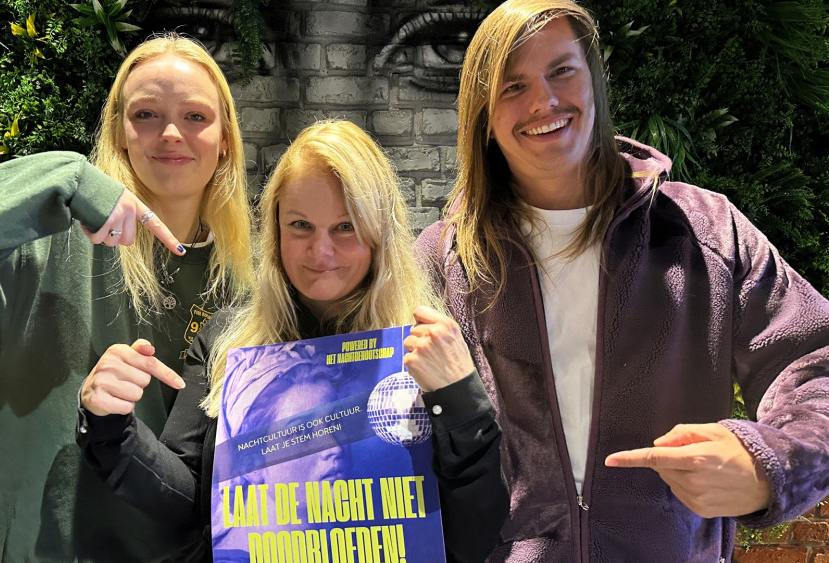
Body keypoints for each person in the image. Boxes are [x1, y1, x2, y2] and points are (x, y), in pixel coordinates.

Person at [415, 0, 829, 561]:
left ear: (594, 79)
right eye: (512, 86)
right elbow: (389, 422)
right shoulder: (445, 258)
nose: (543, 101)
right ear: (483, 115)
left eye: (561, 70)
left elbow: (815, 360)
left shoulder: (704, 232)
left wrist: (771, 463)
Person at [0, 35, 253, 562]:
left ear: (225, 141)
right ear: (119, 134)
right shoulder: (48, 248)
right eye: (146, 113)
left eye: (196, 116)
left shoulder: (251, 278)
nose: (171, 133)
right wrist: (60, 178)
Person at [77, 119, 510, 562]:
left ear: (381, 232)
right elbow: (185, 506)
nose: (320, 253)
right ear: (276, 229)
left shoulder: (425, 348)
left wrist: (461, 400)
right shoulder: (228, 346)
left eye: (346, 227)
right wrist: (110, 424)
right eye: (301, 225)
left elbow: (474, 539)